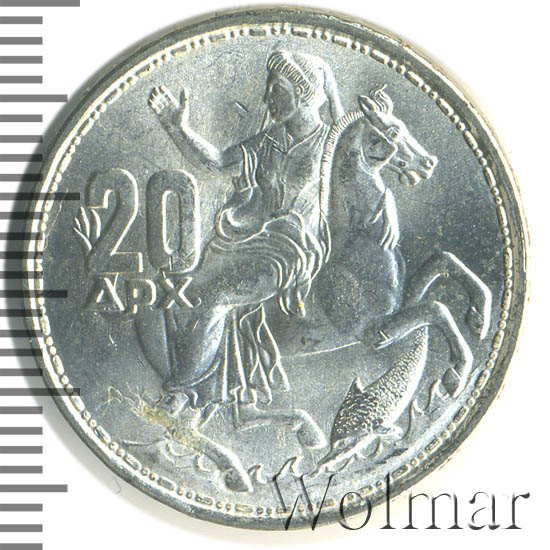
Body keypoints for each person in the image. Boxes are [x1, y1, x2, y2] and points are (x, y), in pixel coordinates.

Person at [148, 51, 346, 416]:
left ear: (303, 93)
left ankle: (179, 394)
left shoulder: (331, 145)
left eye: (277, 88)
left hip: (289, 251)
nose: (267, 97)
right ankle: (212, 395)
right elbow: (218, 163)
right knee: (184, 296)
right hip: (246, 240)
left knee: (216, 299)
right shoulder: (269, 140)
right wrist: (177, 128)